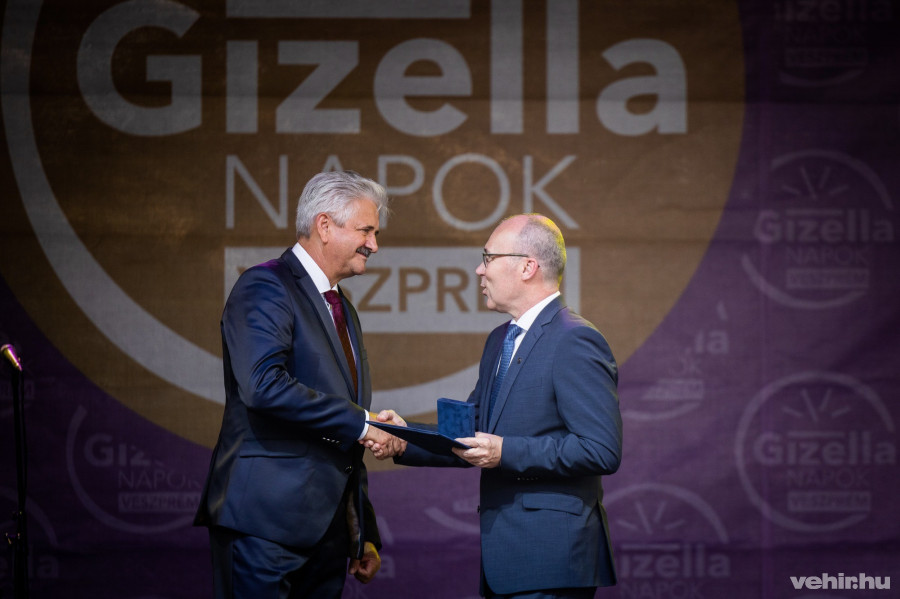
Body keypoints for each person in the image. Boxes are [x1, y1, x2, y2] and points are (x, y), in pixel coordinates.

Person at [379, 213, 622, 598]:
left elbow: (600, 450)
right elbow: (470, 434)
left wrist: (504, 451)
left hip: (552, 561)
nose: (479, 270)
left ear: (527, 267)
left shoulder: (575, 339)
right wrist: (402, 437)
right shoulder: (500, 340)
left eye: (489, 258)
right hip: (507, 560)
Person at [194, 170, 406, 599]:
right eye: (366, 231)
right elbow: (263, 386)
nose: (374, 245)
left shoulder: (341, 306)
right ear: (324, 225)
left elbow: (342, 431)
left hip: (328, 535)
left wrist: (360, 528)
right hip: (263, 525)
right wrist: (364, 423)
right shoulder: (265, 285)